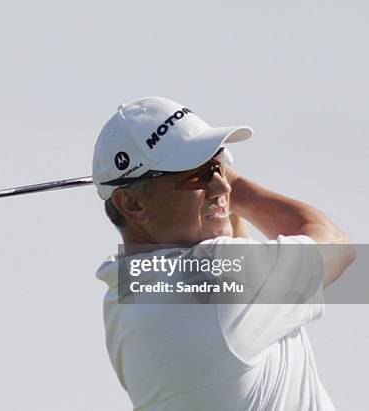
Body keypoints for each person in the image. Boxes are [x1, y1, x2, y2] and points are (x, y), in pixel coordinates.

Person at [92, 97, 355, 411]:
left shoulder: (124, 292)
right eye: (196, 175)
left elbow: (234, 246)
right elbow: (337, 246)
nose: (220, 186)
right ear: (132, 204)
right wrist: (238, 185)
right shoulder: (218, 278)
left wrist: (214, 190)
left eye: (219, 166)